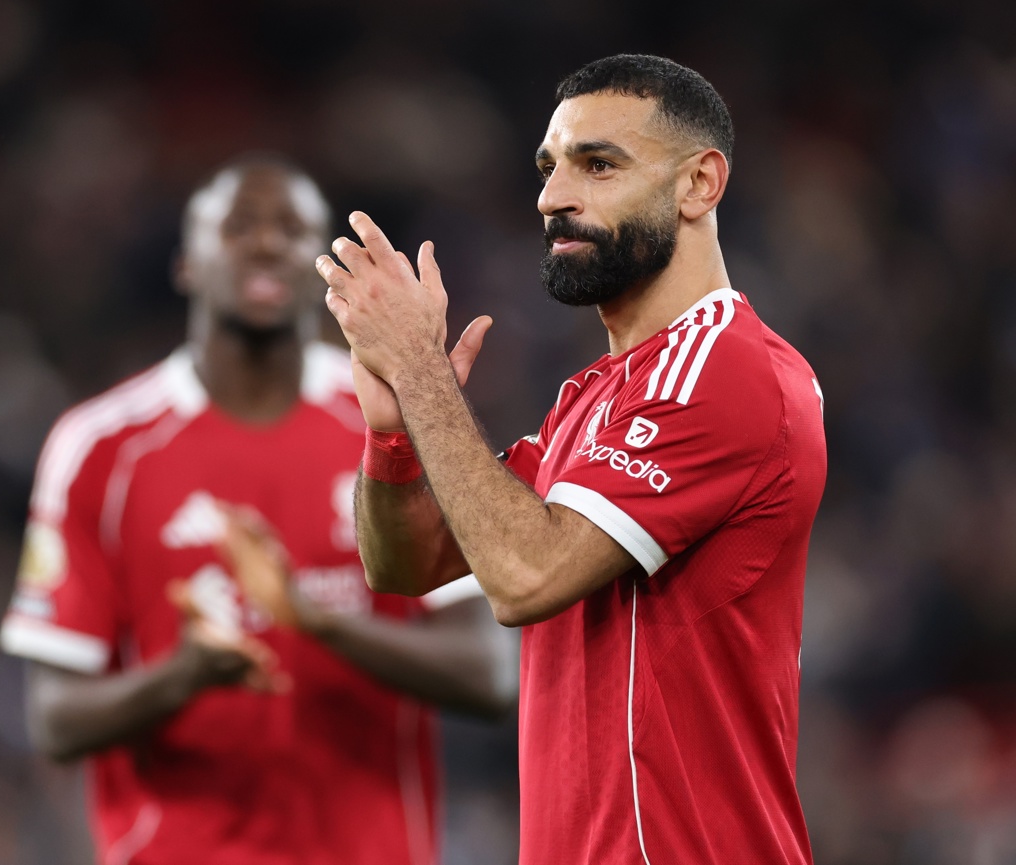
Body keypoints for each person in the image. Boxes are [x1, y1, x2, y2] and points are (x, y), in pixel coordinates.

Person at [317, 55, 827, 864]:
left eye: (598, 165)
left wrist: (420, 369)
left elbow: (525, 575)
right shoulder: (598, 394)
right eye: (550, 168)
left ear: (700, 185)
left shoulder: (725, 369)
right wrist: (395, 431)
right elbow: (406, 562)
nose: (553, 197)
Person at [0, 156, 517, 865]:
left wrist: (316, 621)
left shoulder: (395, 423)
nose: (268, 242)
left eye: (293, 228)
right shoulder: (97, 447)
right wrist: (184, 673)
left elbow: (488, 676)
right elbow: (56, 718)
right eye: (238, 226)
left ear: (325, 270)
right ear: (187, 265)